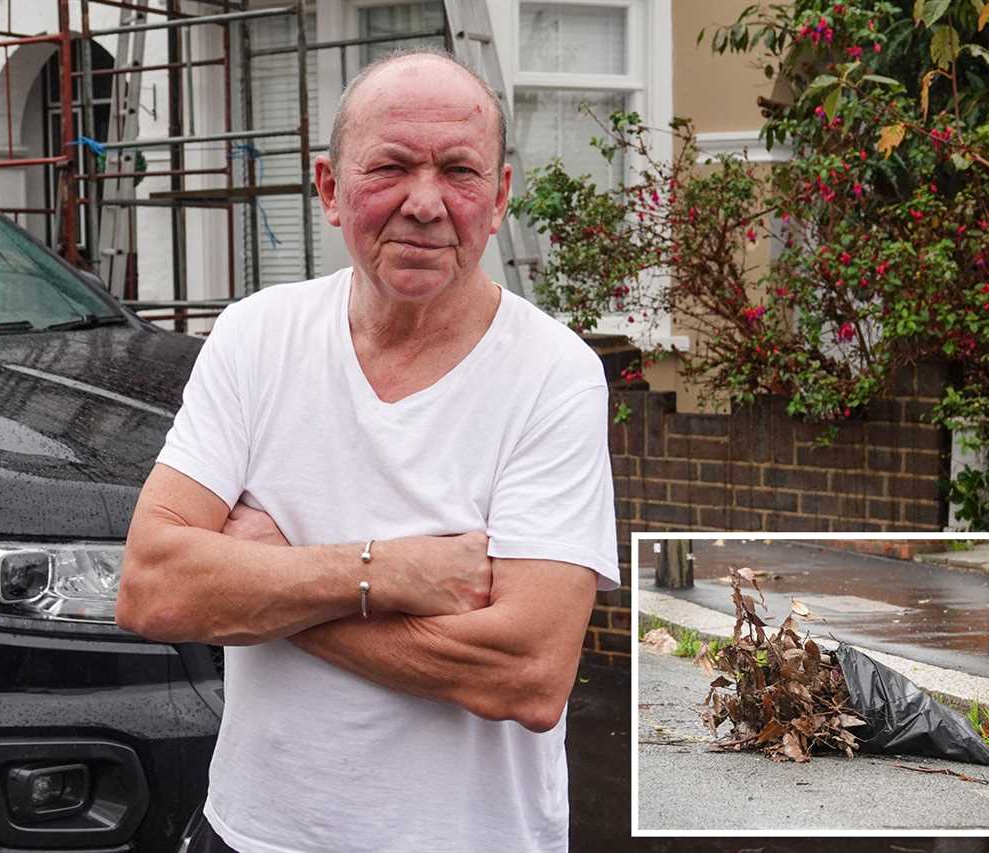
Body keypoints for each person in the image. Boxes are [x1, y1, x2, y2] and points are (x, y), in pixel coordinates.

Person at [116, 49, 618, 853]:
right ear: (329, 190)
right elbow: (149, 587)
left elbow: (527, 673)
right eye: (390, 166)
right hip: (252, 835)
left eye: (459, 170)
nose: (426, 203)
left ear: (498, 200)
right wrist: (385, 573)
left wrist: (268, 588)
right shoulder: (256, 336)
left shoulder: (554, 375)